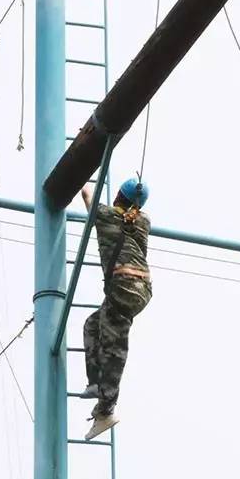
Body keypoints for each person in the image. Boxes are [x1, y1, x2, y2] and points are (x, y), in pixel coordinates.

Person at [78, 177, 153, 440]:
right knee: (92, 324)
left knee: (115, 347)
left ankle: (106, 409)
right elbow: (133, 217)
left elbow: (87, 197)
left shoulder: (106, 215)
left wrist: (82, 173)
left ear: (118, 196)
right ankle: (95, 382)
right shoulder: (143, 222)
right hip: (141, 290)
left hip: (123, 288)